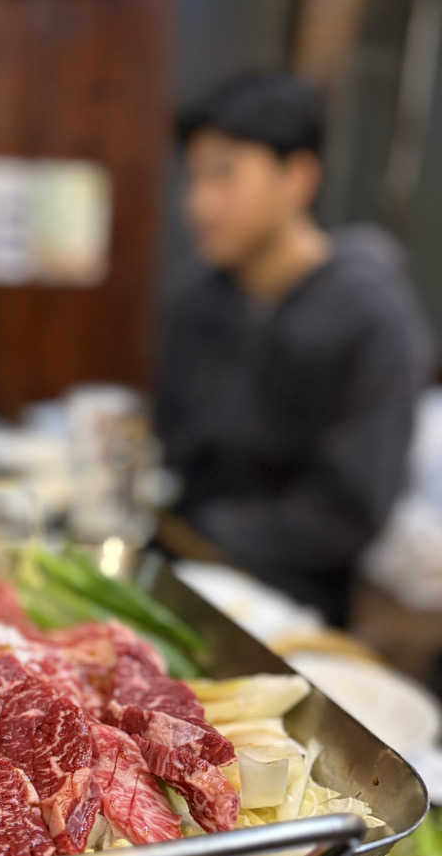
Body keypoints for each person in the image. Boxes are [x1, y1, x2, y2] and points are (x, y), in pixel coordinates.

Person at [155, 71, 432, 622]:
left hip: (291, 604)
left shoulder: (372, 312)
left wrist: (200, 531)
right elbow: (172, 443)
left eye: (224, 176)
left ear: (298, 177)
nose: (199, 204)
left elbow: (348, 513)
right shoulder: (196, 293)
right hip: (175, 569)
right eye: (194, 178)